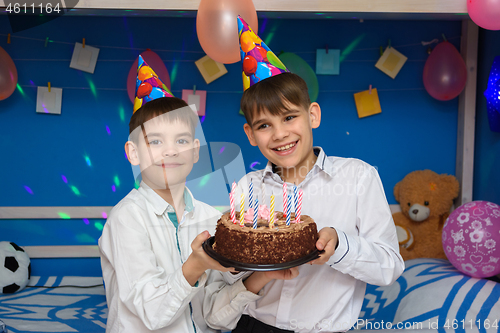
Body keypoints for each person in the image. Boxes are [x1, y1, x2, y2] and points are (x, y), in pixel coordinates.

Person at [202, 17, 404, 333]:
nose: (280, 134)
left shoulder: (357, 178)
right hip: (254, 324)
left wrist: (341, 246)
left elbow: (390, 267)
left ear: (312, 115)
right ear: (250, 134)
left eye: (289, 117)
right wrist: (229, 252)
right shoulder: (247, 188)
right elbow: (226, 278)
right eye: (264, 125)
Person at [99, 56, 233, 333]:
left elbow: (214, 316)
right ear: (133, 153)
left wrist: (257, 280)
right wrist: (195, 264)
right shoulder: (127, 219)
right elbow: (152, 313)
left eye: (181, 140)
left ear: (195, 150)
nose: (170, 151)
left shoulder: (210, 218)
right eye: (155, 141)